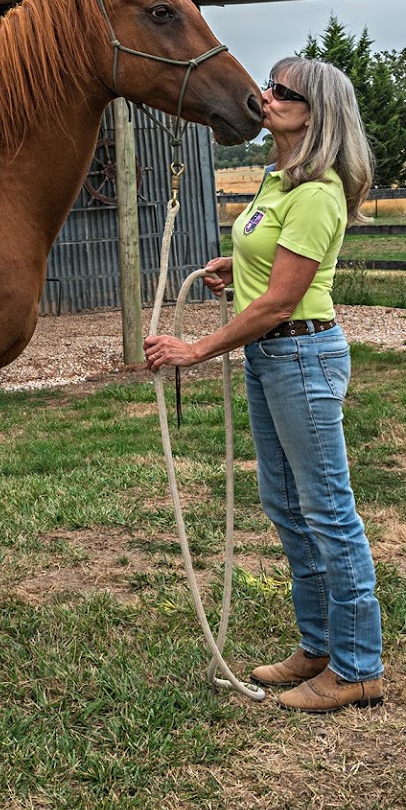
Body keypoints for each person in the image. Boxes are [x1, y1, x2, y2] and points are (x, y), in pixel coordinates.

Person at [144, 57, 384, 714]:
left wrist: (196, 348)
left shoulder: (315, 193)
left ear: (315, 115)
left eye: (284, 92)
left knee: (329, 512)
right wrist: (237, 264)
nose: (267, 96)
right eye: (271, 86)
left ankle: (359, 666)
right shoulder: (280, 183)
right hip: (275, 361)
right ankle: (317, 647)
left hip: (300, 357)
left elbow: (281, 303)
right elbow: (270, 269)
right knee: (287, 507)